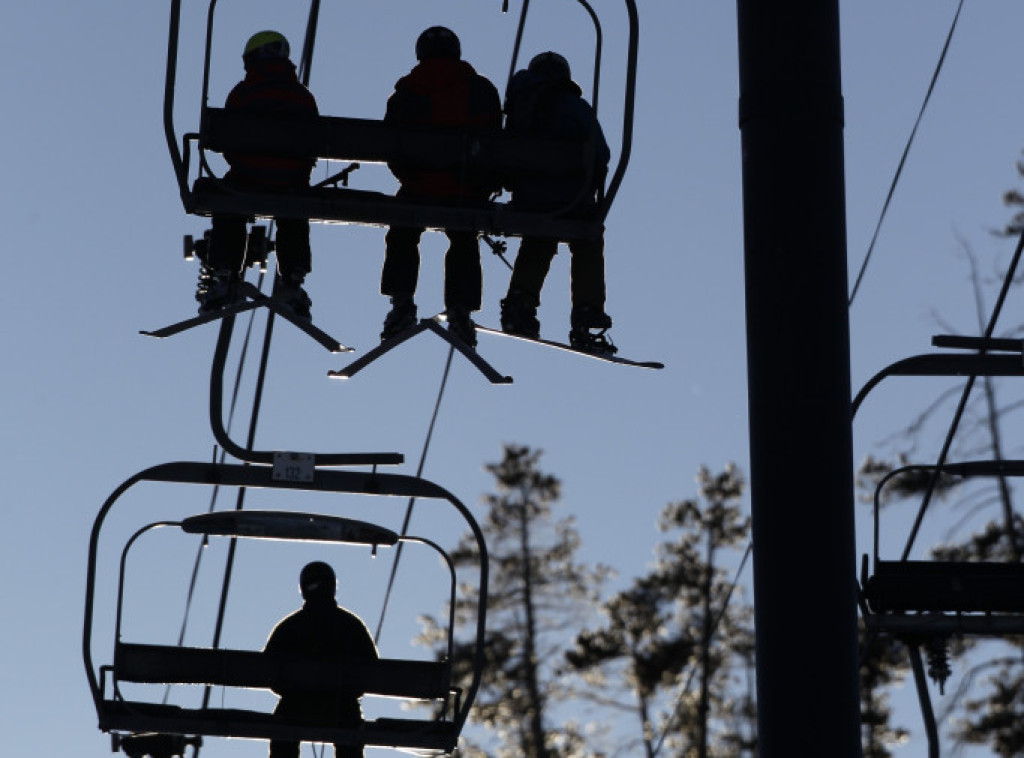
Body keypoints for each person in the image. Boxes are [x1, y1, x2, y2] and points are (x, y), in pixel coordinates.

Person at [379, 26, 502, 347]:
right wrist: (479, 184)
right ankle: (460, 310)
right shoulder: (480, 89)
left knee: (403, 232)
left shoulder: (407, 90)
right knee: (463, 237)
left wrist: (411, 177)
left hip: (419, 186)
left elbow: (391, 144)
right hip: (463, 189)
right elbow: (494, 142)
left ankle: (401, 302)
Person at [499, 52, 616, 355]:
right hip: (571, 201)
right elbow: (601, 154)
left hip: (529, 200)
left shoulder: (519, 107)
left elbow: (502, 152)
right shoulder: (574, 107)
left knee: (538, 238)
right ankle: (586, 310)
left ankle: (520, 301)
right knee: (587, 238)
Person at [196, 31, 319, 320]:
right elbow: (313, 142)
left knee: (229, 202)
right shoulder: (301, 96)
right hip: (290, 180)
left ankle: (225, 272)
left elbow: (227, 143)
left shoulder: (243, 93)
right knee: (294, 208)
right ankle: (293, 277)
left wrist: (248, 165)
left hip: (248, 178)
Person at [264, 561, 379, 758]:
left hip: (296, 709)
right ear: (333, 587)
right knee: (350, 736)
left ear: (303, 589)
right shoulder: (351, 625)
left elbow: (268, 674)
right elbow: (372, 673)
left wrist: (298, 688)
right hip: (341, 711)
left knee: (282, 736)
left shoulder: (290, 627)